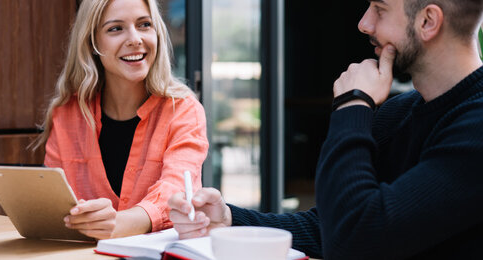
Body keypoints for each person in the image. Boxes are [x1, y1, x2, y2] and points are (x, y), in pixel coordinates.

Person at [168, 0, 483, 258]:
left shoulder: (475, 128)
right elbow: (329, 225)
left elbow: (354, 240)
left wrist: (352, 105)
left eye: (380, 8)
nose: (364, 23)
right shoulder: (401, 112)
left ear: (428, 21)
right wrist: (230, 219)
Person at [32, 0, 208, 239]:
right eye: (115, 29)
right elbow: (52, 206)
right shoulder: (68, 114)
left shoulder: (184, 111)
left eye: (144, 25)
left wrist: (116, 223)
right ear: (92, 43)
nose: (135, 39)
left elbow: (175, 192)